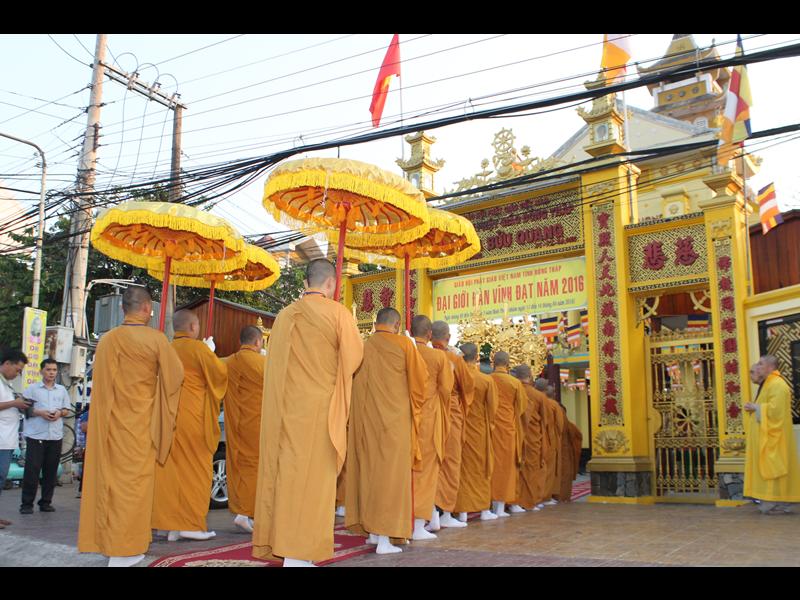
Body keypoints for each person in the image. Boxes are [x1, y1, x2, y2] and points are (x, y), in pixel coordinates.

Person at [253, 259, 363, 567]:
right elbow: (354, 357)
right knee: (315, 485)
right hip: (320, 412)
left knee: (288, 480)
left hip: (287, 412)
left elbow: (275, 367)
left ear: (306, 282)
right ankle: (300, 555)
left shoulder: (285, 316)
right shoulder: (338, 313)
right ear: (330, 284)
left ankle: (287, 548)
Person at [78, 286, 184, 567]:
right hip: (140, 426)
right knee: (135, 490)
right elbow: (175, 378)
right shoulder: (156, 339)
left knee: (112, 487)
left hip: (110, 427)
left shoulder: (107, 340)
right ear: (148, 309)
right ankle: (127, 550)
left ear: (122, 308)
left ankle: (113, 545)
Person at [346, 307, 426, 554]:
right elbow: (420, 383)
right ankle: (383, 539)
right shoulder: (404, 345)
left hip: (367, 422)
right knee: (391, 479)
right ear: (397, 324)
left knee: (370, 473)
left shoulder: (364, 346)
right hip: (395, 424)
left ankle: (372, 532)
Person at [152, 309, 228, 541]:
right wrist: (210, 353)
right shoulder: (197, 349)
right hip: (193, 421)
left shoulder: (165, 348)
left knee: (170, 474)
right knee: (196, 473)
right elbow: (220, 376)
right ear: (193, 327)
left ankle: (169, 524)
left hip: (167, 419)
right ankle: (191, 524)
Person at [409, 315, 453, 540]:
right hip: (427, 420)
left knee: (404, 473)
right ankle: (417, 526)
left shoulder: (404, 352)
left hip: (405, 419)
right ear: (429, 334)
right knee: (425, 472)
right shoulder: (437, 357)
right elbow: (447, 390)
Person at [222, 325, 266, 533]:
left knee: (237, 466)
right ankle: (245, 513)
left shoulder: (228, 362)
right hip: (256, 423)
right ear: (258, 342)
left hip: (235, 422)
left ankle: (242, 509)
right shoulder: (262, 363)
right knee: (254, 467)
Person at [430, 320, 474, 530]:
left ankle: (431, 514)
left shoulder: (422, 353)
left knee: (431, 462)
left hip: (429, 413)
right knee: (450, 463)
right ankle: (446, 513)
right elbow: (468, 386)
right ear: (447, 337)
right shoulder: (454, 358)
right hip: (452, 414)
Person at [744, 355, 800, 514]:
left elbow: (776, 411)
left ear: (770, 367)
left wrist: (756, 408)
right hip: (766, 436)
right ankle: (770, 501)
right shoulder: (768, 383)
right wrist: (756, 407)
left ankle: (777, 502)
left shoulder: (778, 384)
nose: (757, 366)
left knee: (774, 466)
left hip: (775, 439)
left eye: (761, 364)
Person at [19, 358, 71, 514]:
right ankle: (27, 504)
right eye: (48, 369)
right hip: (36, 436)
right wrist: (40, 413)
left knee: (51, 471)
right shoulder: (32, 389)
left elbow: (66, 410)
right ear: (41, 371)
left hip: (54, 436)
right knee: (32, 471)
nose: (51, 373)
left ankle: (46, 502)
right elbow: (24, 408)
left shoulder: (61, 390)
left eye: (54, 370)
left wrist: (59, 413)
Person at [454, 343, 499, 522]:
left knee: (460, 468)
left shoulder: (455, 375)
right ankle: (483, 509)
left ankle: (462, 511)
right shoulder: (486, 380)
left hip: (457, 427)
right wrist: (491, 425)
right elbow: (493, 408)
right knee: (480, 468)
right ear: (477, 357)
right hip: (478, 430)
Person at [489, 351, 527, 517]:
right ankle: (501, 505)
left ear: (493, 363)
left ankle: (489, 504)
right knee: (506, 467)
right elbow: (521, 408)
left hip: (489, 428)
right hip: (507, 429)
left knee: (491, 466)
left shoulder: (487, 379)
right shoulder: (515, 383)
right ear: (508, 364)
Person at [509, 364, 545, 512]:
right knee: (530, 468)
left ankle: (512, 501)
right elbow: (545, 419)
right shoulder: (538, 396)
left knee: (515, 467)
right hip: (532, 437)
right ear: (530, 377)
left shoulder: (512, 389)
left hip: (514, 433)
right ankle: (528, 501)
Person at [0, 349, 29, 529]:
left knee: (1, 479)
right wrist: (15, 403)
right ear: (7, 363)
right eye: (17, 370)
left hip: (7, 441)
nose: (17, 374)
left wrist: (19, 402)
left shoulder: (7, 385)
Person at [554, 401, 582, 503]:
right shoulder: (568, 425)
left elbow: (577, 437)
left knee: (564, 475)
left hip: (562, 452)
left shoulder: (570, 426)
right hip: (557, 452)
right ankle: (561, 497)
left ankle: (561, 496)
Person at [543, 383, 564, 506]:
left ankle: (540, 495)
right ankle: (547, 496)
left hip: (539, 437)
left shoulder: (538, 400)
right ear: (553, 394)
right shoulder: (554, 405)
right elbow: (560, 425)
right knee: (550, 469)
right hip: (551, 439)